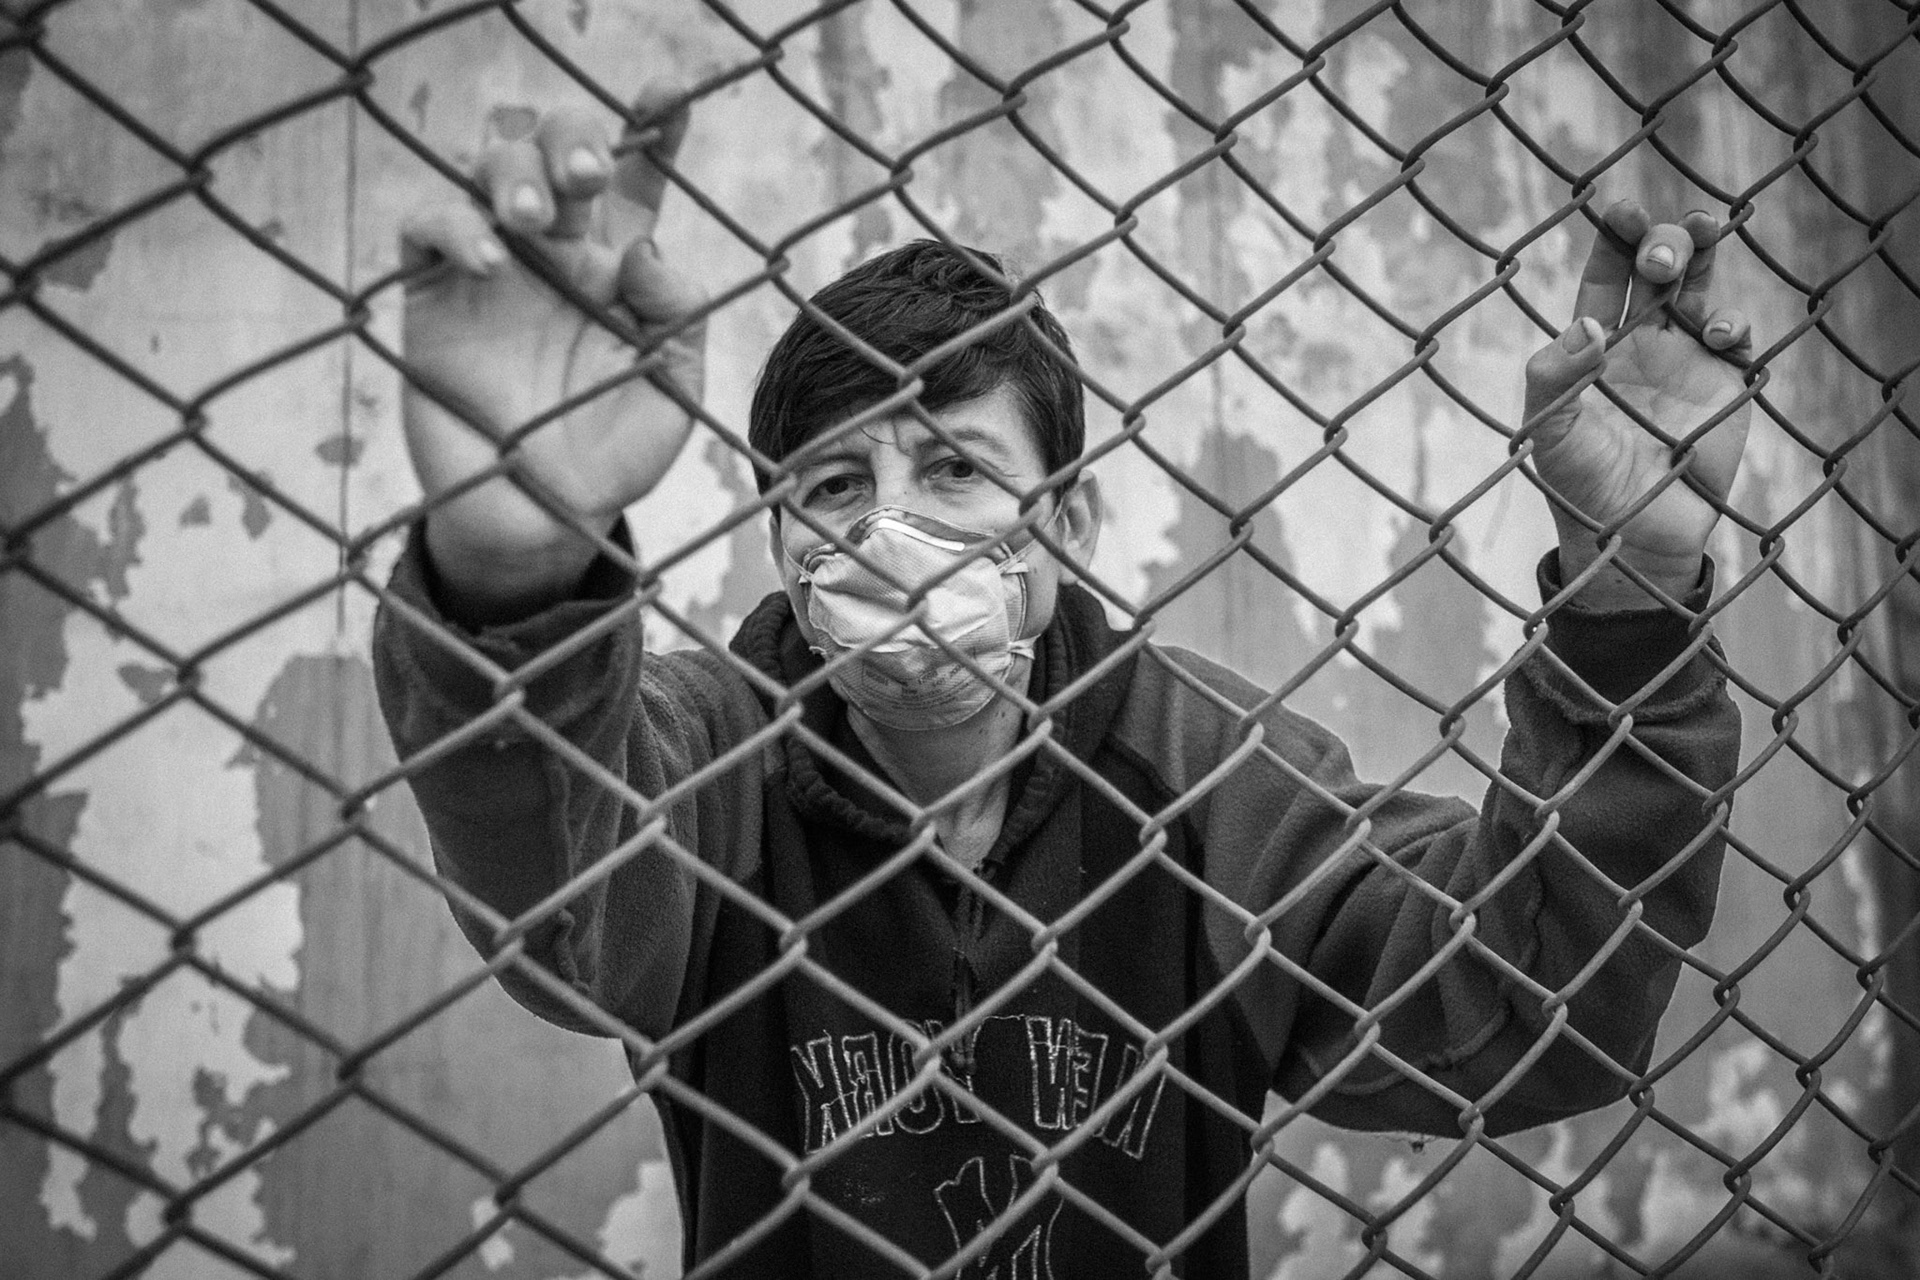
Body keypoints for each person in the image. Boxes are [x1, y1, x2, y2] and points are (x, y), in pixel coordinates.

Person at [373, 92, 1752, 1278]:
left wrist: (1628, 592)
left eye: (956, 470)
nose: (890, 532)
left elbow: (1519, 1005)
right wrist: (521, 568)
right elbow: (562, 891)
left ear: (1069, 525)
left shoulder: (1203, 776)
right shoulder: (709, 760)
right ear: (781, 539)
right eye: (836, 487)